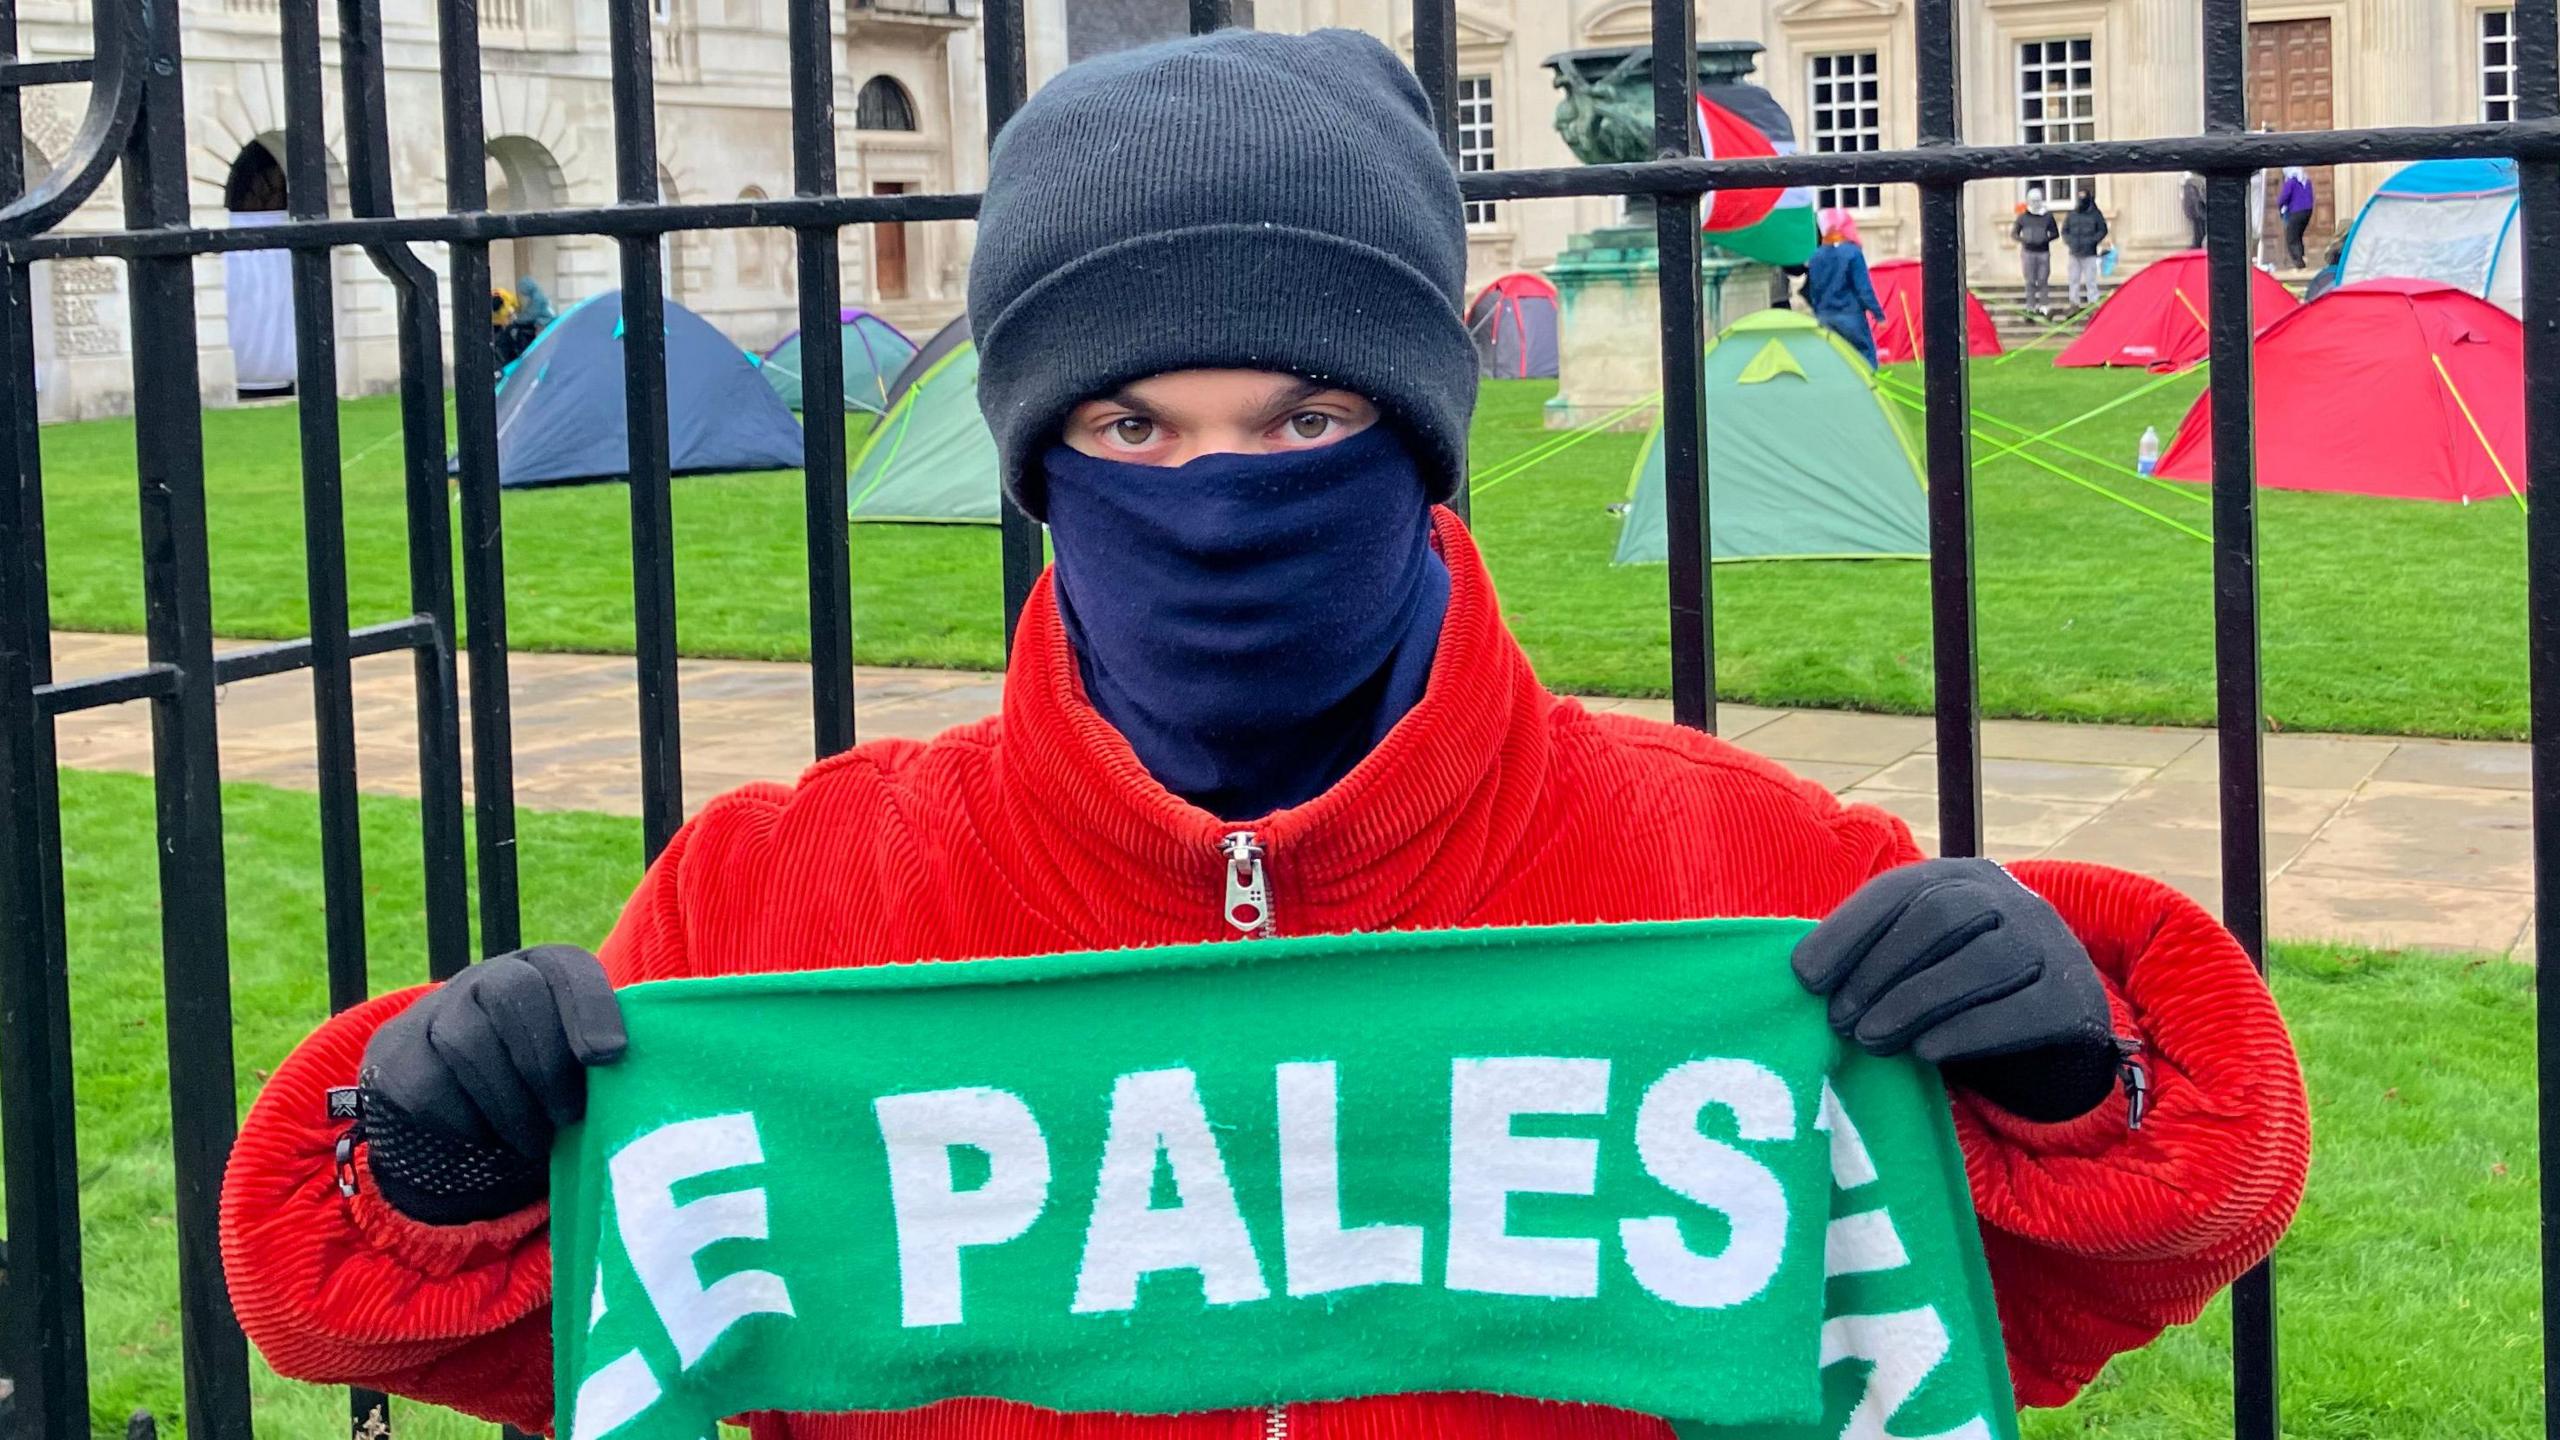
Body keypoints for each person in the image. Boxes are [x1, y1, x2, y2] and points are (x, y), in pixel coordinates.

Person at [218, 29, 2309, 1440]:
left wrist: (2061, 1081)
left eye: (1298, 422)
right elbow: (451, 1319)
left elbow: (2024, 1302)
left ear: (1412, 443)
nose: (1214, 489)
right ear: (1042, 466)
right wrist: (436, 1163)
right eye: (1132, 429)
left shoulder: (1737, 882)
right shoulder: (794, 906)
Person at [1804, 206, 1887, 367]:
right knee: (1864, 357)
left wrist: (1818, 311)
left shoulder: (1815, 256)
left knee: (1834, 360)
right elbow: (1863, 288)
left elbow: (1813, 289)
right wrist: (1878, 314)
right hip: (1850, 313)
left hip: (1825, 314)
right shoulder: (1852, 252)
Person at [2061, 187, 2110, 312]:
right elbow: (2065, 231)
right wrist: (2070, 242)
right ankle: (2074, 303)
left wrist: (2093, 241)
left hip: (2089, 253)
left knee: (2091, 280)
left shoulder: (2096, 214)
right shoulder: (2071, 214)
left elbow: (2102, 230)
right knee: (2073, 279)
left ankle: (2093, 303)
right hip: (2074, 253)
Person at [2013, 185, 2060, 316]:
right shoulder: (2023, 217)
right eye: (2032, 200)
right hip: (2028, 252)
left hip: (2043, 252)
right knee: (2030, 281)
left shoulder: (2047, 216)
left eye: (2037, 200)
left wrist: (2045, 239)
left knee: (2043, 279)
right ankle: (2030, 306)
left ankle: (2044, 305)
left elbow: (2055, 233)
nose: (2035, 203)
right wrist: (2025, 240)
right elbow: (2014, 233)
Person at [2279, 166, 2316, 269]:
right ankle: (2302, 258)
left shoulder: (2291, 182)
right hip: (2307, 211)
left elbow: (2284, 196)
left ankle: (2298, 262)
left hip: (2296, 211)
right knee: (2298, 235)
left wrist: (2280, 206)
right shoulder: (2306, 181)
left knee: (2291, 237)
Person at [2182, 171, 2208, 249]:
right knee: (2198, 227)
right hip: (2197, 209)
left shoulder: (2193, 182)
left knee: (2200, 227)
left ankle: (2198, 243)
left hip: (2199, 208)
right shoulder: (2192, 181)